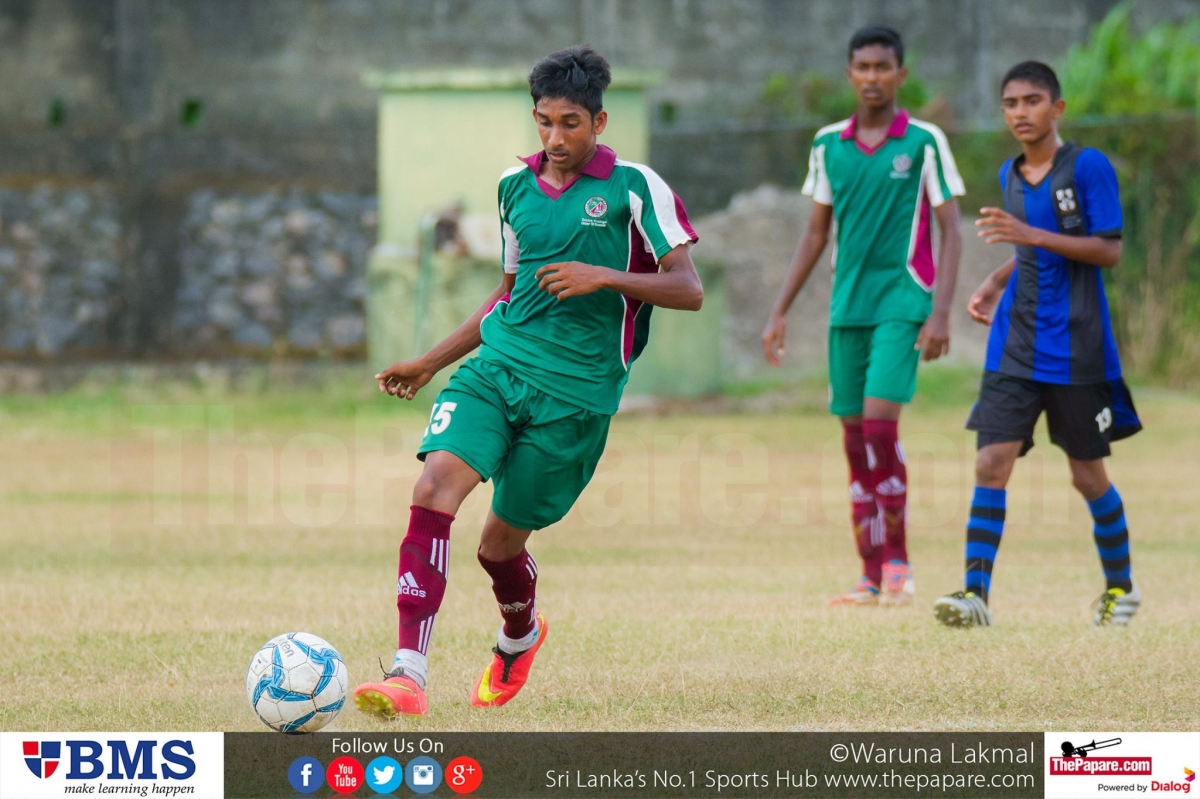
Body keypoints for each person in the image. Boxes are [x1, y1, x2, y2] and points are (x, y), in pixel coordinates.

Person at [353, 45, 702, 717]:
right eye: (544, 121)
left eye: (570, 123)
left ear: (599, 122)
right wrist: (430, 362)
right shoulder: (514, 187)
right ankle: (408, 673)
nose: (555, 138)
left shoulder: (635, 187)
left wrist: (604, 277)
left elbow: (689, 289)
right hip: (499, 368)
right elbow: (508, 293)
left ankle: (519, 634)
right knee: (433, 486)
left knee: (497, 547)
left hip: (577, 395)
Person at [933, 61, 1142, 628]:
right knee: (990, 463)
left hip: (1077, 347)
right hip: (1015, 343)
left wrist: (1030, 235)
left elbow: (1107, 249)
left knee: (1087, 476)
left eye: (1032, 101)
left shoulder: (1087, 167)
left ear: (1057, 108)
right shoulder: (1010, 172)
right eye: (1010, 103)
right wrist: (996, 279)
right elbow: (1031, 249)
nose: (1020, 112)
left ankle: (1121, 589)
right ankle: (975, 595)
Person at [762, 26, 964, 607]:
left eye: (883, 67)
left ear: (901, 74)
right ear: (850, 75)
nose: (873, 77)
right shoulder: (828, 144)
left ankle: (899, 563)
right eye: (863, 67)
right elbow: (816, 233)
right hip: (846, 307)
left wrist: (941, 312)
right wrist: (779, 309)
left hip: (903, 301)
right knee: (854, 439)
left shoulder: (923, 142)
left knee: (879, 427)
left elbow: (952, 230)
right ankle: (869, 574)